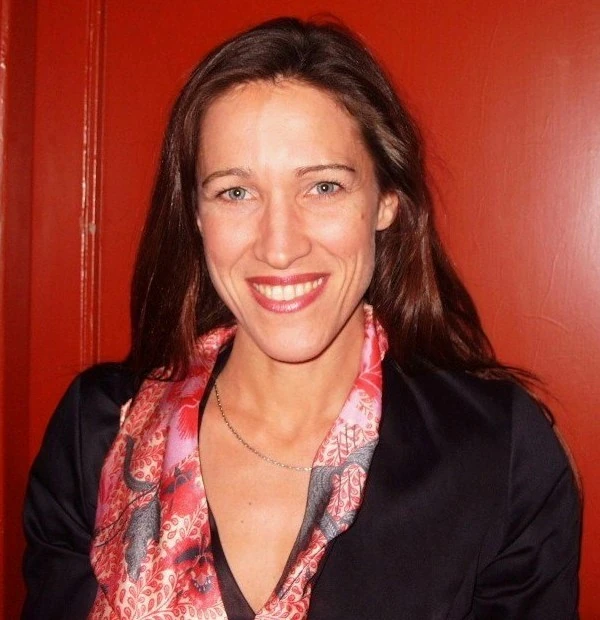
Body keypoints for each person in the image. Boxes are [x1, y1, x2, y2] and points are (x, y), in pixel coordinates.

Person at [22, 16, 581, 620]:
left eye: (323, 187)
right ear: (197, 216)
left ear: (386, 201)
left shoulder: (497, 453)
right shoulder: (98, 431)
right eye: (236, 192)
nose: (280, 246)